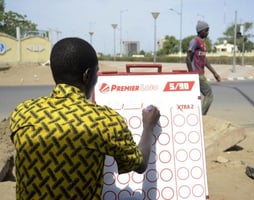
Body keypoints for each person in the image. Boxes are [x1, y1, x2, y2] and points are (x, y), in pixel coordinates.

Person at [9, 37, 160, 199]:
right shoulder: (104, 120)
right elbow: (140, 164)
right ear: (87, 75)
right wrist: (148, 126)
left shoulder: (22, 113)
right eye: (96, 73)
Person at [186, 20, 221, 115]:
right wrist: (191, 74)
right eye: (206, 30)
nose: (207, 32)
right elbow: (188, 58)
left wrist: (214, 73)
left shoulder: (203, 43)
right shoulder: (195, 41)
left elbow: (205, 60)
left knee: (197, 96)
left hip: (201, 73)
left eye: (208, 30)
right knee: (209, 95)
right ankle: (201, 116)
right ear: (200, 31)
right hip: (196, 74)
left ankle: (196, 115)